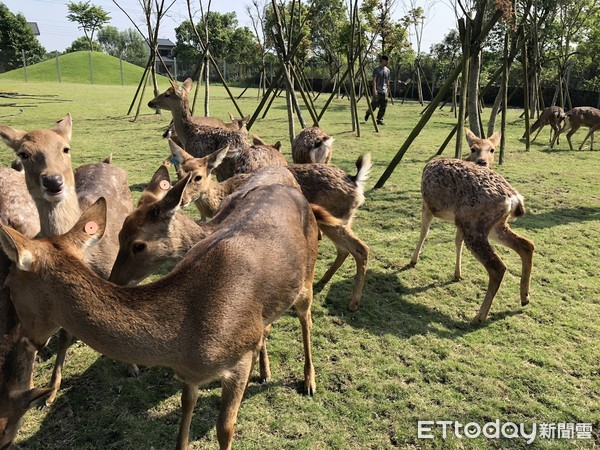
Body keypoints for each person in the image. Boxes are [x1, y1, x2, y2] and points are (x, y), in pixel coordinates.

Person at [365, 55, 391, 125]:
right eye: (386, 61)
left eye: (388, 61)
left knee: (383, 106)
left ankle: (379, 119)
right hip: (378, 90)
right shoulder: (376, 69)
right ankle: (368, 113)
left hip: (384, 91)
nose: (387, 62)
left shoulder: (388, 70)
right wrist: (374, 89)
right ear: (382, 60)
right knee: (374, 105)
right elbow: (374, 79)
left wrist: (388, 91)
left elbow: (387, 81)